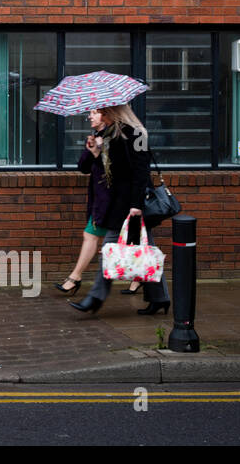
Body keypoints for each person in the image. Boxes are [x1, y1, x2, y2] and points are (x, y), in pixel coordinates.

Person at [70, 102, 170, 315]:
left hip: (131, 205)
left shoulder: (136, 133)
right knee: (144, 251)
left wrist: (136, 205)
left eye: (98, 112)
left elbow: (141, 171)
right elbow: (107, 172)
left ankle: (95, 298)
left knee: (108, 249)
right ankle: (160, 298)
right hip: (118, 203)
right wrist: (97, 152)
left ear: (110, 112)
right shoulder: (108, 134)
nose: (92, 116)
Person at [51, 108, 142, 296]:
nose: (90, 116)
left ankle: (79, 281)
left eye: (94, 112)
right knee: (122, 239)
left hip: (115, 200)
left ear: (106, 114)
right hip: (101, 199)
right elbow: (83, 167)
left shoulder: (122, 136)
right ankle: (142, 282)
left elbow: (121, 172)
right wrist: (92, 149)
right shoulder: (98, 136)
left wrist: (101, 152)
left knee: (103, 238)